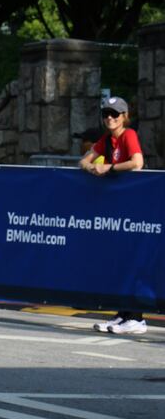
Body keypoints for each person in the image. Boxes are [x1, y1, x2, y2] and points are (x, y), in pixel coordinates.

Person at [82, 97, 148, 335]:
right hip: (117, 209)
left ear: (124, 116)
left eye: (115, 114)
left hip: (134, 208)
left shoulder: (128, 135)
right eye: (106, 114)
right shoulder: (105, 140)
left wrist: (108, 168)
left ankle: (136, 318)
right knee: (118, 260)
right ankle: (123, 315)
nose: (110, 118)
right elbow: (84, 161)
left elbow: (137, 163)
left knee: (131, 259)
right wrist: (93, 168)